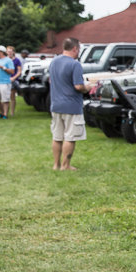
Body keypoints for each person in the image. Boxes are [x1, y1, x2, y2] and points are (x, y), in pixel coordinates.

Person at [48, 37, 94, 171]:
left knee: (57, 136)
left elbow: (52, 81)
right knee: (70, 137)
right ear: (75, 49)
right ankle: (66, 165)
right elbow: (78, 86)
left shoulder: (54, 62)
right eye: (79, 49)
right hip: (71, 106)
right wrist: (88, 86)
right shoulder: (75, 64)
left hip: (55, 105)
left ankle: (56, 165)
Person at [0, 46, 15, 119]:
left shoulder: (8, 60)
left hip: (5, 83)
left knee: (5, 99)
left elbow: (12, 71)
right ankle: (2, 112)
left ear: (1, 52)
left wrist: (3, 68)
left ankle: (5, 114)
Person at [7, 46, 23, 116]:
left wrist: (14, 78)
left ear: (13, 52)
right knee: (5, 97)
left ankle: (12, 112)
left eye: (11, 51)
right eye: (8, 51)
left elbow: (19, 71)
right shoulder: (5, 60)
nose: (9, 53)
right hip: (5, 80)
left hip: (13, 80)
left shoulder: (17, 60)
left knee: (12, 96)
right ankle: (5, 112)